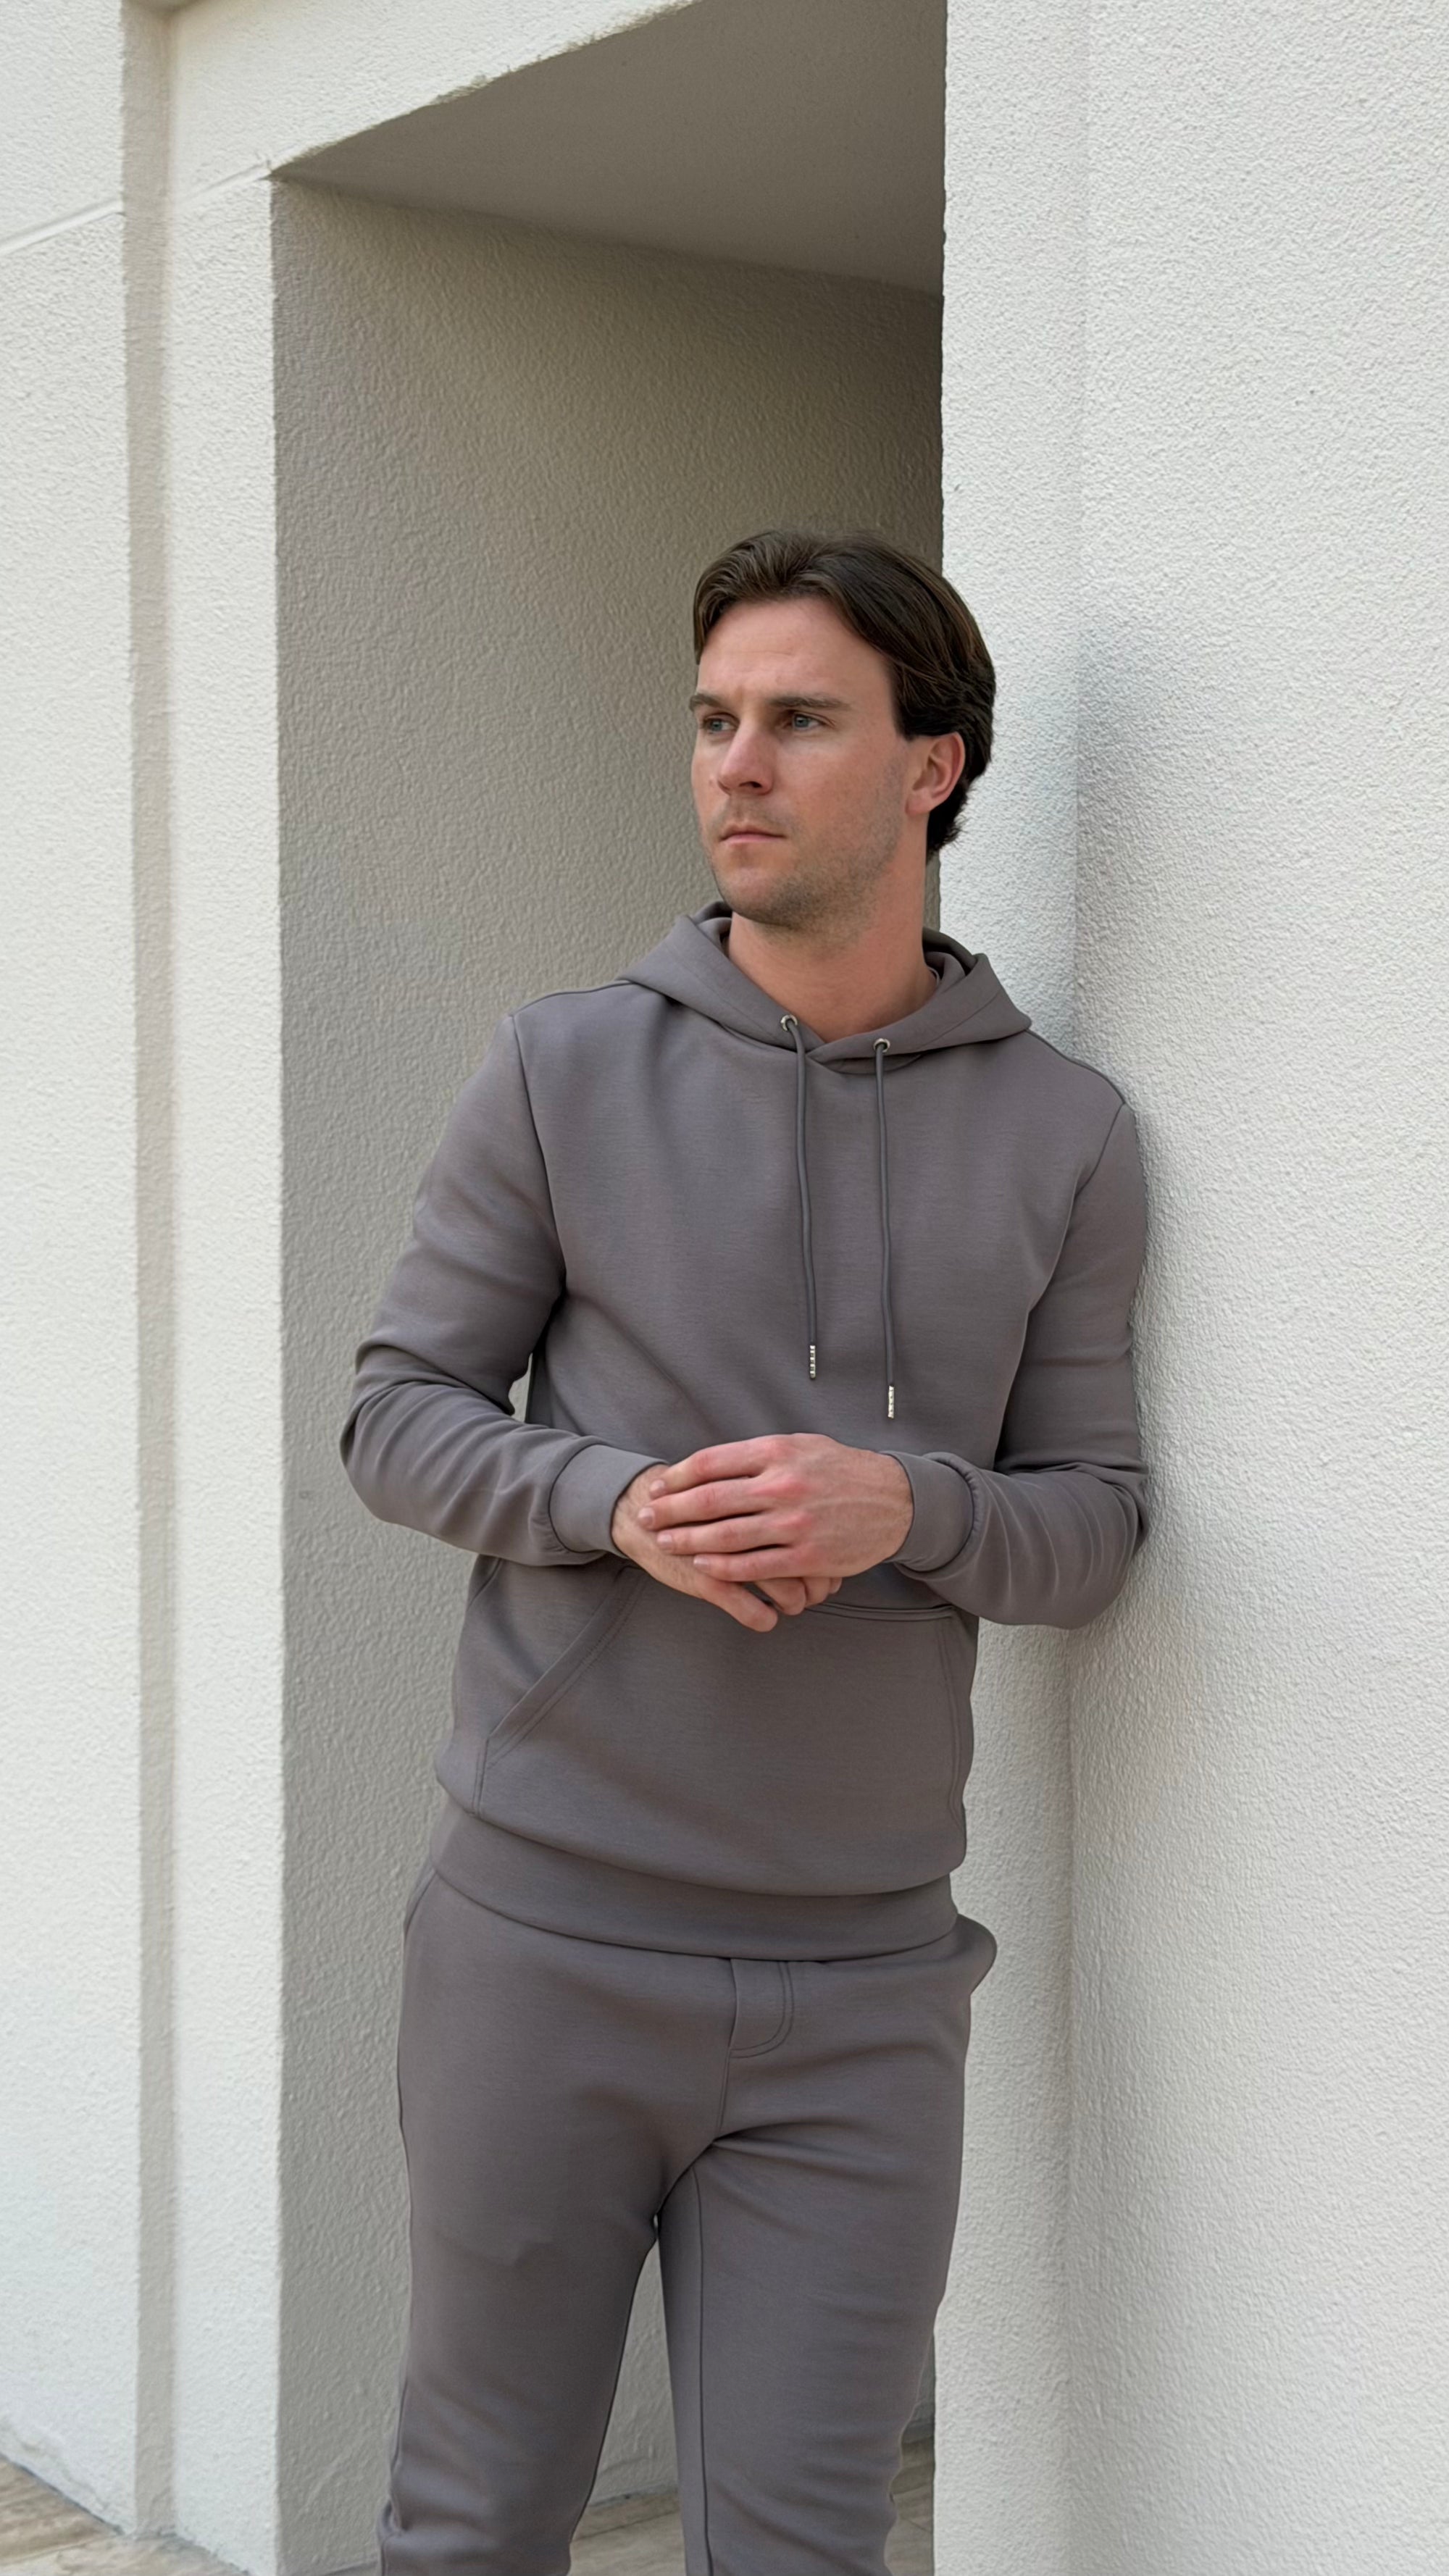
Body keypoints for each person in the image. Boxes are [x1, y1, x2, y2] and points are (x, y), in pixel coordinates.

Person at [339, 526, 1150, 2575]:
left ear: (931, 765)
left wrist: (914, 1506)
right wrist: (612, 1503)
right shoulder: (563, 1066)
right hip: (541, 1942)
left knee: (806, 2544)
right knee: (474, 2523)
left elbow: (1096, 1524)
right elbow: (396, 1414)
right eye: (714, 720)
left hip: (865, 1985)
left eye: (800, 719)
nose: (738, 765)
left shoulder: (1065, 1132)